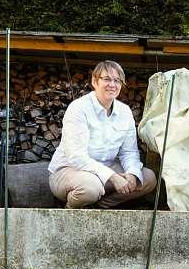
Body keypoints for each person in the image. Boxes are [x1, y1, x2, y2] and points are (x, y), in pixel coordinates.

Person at [48, 60, 157, 209]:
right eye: (107, 79)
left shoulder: (124, 112)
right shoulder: (79, 108)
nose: (112, 84)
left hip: (106, 170)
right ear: (94, 81)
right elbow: (76, 156)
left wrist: (132, 173)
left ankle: (100, 206)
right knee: (90, 188)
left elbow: (129, 152)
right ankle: (70, 210)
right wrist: (112, 177)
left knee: (147, 178)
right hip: (70, 171)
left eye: (117, 80)